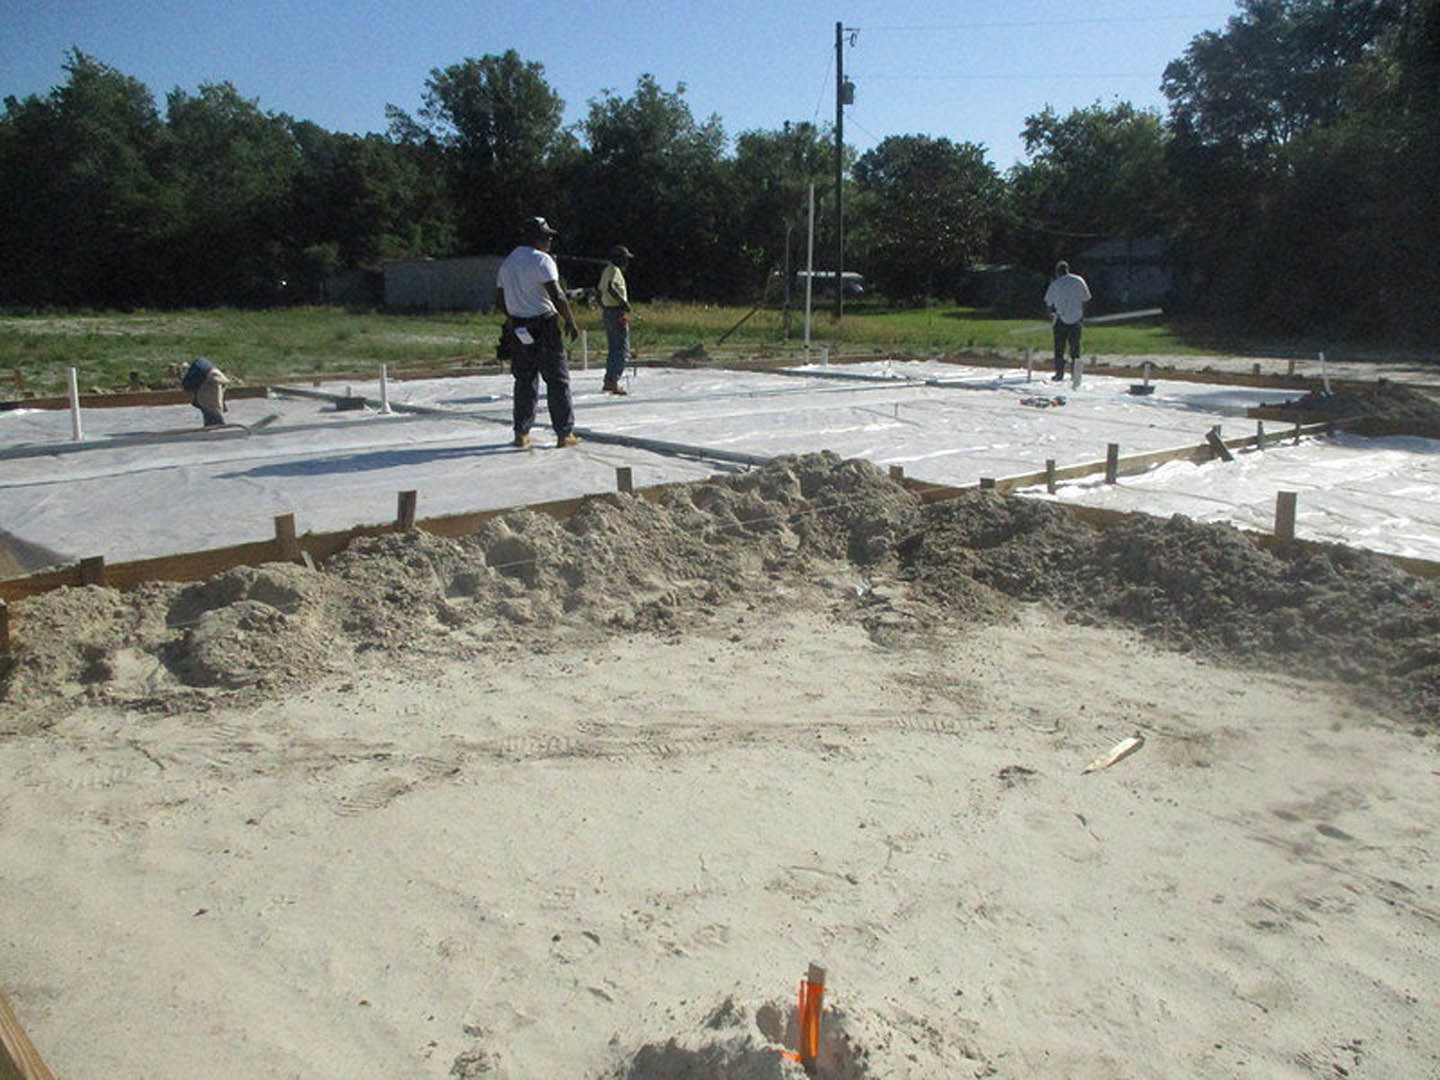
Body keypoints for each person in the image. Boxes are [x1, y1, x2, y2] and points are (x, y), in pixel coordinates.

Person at [495, 216, 581, 448]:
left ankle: (521, 434)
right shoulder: (542, 260)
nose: (550, 240)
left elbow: (500, 300)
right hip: (545, 326)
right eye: (547, 236)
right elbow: (558, 295)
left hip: (519, 327)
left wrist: (515, 315)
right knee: (557, 380)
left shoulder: (509, 262)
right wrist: (570, 321)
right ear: (538, 238)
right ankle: (564, 434)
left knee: (524, 380)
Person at [1043, 260, 1092, 382]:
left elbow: (1048, 303)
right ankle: (1075, 375)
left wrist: (1050, 316)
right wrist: (1082, 315)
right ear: (1068, 269)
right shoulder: (1079, 280)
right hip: (1076, 318)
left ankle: (1059, 374)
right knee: (1075, 348)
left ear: (1057, 272)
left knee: (1059, 348)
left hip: (1060, 319)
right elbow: (1086, 299)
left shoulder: (1056, 284)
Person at [598, 244, 634, 394]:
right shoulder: (614, 270)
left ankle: (609, 380)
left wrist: (605, 306)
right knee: (621, 349)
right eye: (625, 258)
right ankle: (613, 381)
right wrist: (623, 303)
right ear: (619, 259)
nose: (626, 262)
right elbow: (611, 288)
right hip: (616, 312)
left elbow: (600, 291)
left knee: (614, 347)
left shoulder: (607, 270)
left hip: (608, 311)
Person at [179, 356, 230, 427]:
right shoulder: (195, 371)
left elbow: (189, 388)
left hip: (209, 377)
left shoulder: (190, 379)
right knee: (210, 406)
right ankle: (215, 422)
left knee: (209, 407)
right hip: (216, 375)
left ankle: (215, 423)